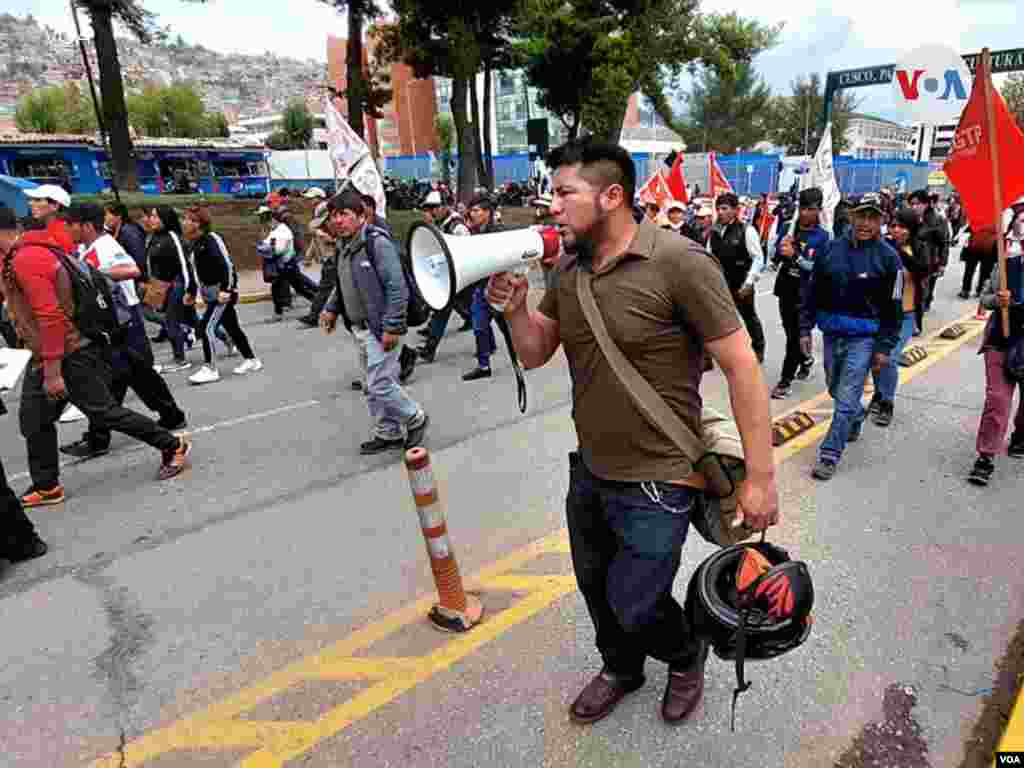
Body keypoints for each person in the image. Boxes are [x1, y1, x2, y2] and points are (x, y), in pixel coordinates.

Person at [486, 138, 778, 727]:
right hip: (591, 471)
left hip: (661, 479)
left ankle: (684, 653)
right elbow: (538, 350)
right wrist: (516, 311)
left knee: (636, 601)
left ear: (612, 196)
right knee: (597, 591)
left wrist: (761, 479)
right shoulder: (568, 270)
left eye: (565, 192)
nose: (553, 204)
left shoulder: (679, 262)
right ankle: (621, 667)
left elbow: (742, 365)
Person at [0, 205, 192, 508]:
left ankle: (172, 444)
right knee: (34, 420)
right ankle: (47, 485)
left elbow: (50, 317)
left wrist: (52, 371)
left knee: (103, 411)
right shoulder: (18, 255)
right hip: (49, 352)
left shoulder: (28, 258)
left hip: (68, 351)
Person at [59, 203, 187, 460]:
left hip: (124, 319)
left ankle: (102, 437)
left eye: (70, 224)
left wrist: (92, 275)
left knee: (127, 377)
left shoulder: (106, 246)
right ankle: (166, 417)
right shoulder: (87, 247)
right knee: (125, 377)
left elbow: (132, 269)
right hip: (110, 321)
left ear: (85, 225)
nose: (67, 229)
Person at [799, 194, 904, 481]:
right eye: (861, 216)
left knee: (846, 397)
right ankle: (856, 417)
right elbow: (811, 293)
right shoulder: (830, 250)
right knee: (835, 388)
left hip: (865, 338)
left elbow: (895, 309)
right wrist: (805, 328)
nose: (865, 223)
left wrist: (884, 347)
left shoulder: (889, 259)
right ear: (851, 217)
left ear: (881, 220)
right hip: (832, 333)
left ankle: (830, 454)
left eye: (872, 217)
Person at [320, 190, 430, 455]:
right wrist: (330, 309)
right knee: (371, 386)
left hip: (379, 328)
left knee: (380, 383)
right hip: (359, 328)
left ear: (361, 216)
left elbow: (396, 287)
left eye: (344, 214)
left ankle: (415, 417)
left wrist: (392, 326)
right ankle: (387, 432)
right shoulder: (344, 246)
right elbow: (343, 283)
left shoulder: (377, 244)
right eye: (334, 216)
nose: (338, 221)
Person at [967, 206, 1024, 486]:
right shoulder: (1004, 263)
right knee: (998, 400)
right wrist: (997, 301)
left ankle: (1020, 436)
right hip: (1001, 340)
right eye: (1021, 219)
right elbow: (985, 298)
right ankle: (986, 456)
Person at [181, 205, 262, 385]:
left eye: (186, 219)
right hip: (211, 295)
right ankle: (251, 360)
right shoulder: (195, 243)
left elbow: (227, 266)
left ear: (197, 223)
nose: (183, 222)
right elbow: (195, 271)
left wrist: (227, 290)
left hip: (221, 294)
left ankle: (210, 368)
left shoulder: (211, 239)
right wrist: (191, 292)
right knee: (232, 327)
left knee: (206, 328)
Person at [868, 208, 929, 427]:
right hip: (880, 314)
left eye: (902, 226)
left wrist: (897, 251)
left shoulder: (918, 248)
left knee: (890, 358)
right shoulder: (879, 246)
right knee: (876, 357)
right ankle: (878, 393)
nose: (896, 230)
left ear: (911, 229)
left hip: (905, 315)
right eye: (893, 225)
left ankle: (887, 402)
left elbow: (922, 270)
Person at [771, 188, 829, 399]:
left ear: (819, 210)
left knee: (794, 337)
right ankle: (805, 359)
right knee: (790, 334)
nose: (806, 213)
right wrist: (779, 248)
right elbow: (774, 258)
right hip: (786, 288)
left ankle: (785, 380)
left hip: (807, 293)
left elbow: (818, 268)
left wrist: (795, 256)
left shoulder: (823, 237)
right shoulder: (788, 227)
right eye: (802, 208)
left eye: (811, 209)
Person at [359, 193, 417, 385]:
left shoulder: (379, 232)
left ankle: (386, 377)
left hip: (384, 285)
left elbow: (393, 270)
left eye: (365, 214)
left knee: (385, 333)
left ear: (372, 210)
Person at [415, 191, 474, 363]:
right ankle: (470, 321)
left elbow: (465, 251)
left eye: (433, 209)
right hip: (449, 275)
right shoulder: (443, 223)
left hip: (459, 275)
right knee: (453, 305)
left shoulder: (457, 227)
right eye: (428, 209)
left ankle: (429, 348)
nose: (430, 213)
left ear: (443, 207)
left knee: (444, 307)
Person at [708, 192, 767, 363]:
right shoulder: (715, 231)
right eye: (718, 208)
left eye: (725, 208)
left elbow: (758, 258)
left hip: (742, 283)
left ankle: (758, 348)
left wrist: (749, 282)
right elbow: (709, 256)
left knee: (749, 317)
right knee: (722, 320)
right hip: (721, 284)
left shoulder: (746, 231)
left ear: (735, 210)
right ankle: (727, 351)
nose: (720, 212)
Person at [142, 205, 196, 373]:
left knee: (171, 321)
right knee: (191, 320)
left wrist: (190, 290)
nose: (151, 219)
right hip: (160, 286)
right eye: (151, 216)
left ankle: (180, 359)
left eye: (155, 216)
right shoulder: (153, 237)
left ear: (165, 219)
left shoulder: (172, 237)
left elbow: (185, 266)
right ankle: (225, 336)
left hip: (177, 285)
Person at [463, 195, 503, 382]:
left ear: (488, 212)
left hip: (497, 289)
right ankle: (483, 365)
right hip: (481, 288)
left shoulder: (498, 232)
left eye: (477, 210)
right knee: (479, 326)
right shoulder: (474, 233)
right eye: (472, 210)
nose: (473, 213)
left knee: (507, 326)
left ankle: (522, 355)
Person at [298, 201, 338, 328]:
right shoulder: (319, 229)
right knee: (328, 289)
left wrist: (332, 240)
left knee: (325, 290)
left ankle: (314, 316)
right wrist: (308, 258)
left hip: (335, 260)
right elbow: (314, 242)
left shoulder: (336, 224)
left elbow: (345, 241)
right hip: (329, 262)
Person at [24, 185, 73, 255]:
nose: (30, 203)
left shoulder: (59, 235)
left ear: (55, 206)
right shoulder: (59, 229)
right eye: (31, 199)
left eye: (38, 200)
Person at [104, 203, 147, 278]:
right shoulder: (117, 231)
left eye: (106, 215)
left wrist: (140, 279)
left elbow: (140, 259)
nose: (104, 218)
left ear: (118, 216)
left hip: (136, 277)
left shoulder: (130, 232)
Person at [959, 223, 998, 300]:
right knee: (985, 272)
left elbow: (968, 230)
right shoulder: (998, 218)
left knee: (969, 270)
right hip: (988, 248)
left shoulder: (978, 218)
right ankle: (980, 291)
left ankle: (966, 290)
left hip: (975, 247)